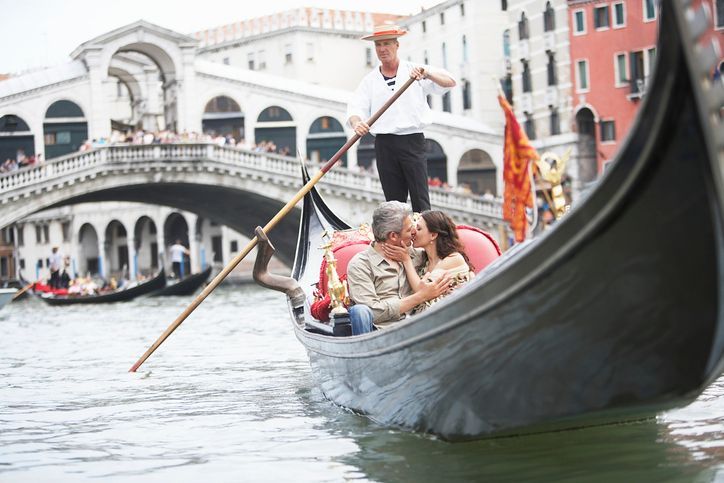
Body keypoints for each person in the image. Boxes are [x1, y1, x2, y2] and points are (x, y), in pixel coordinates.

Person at [347, 24, 456, 213]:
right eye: (378, 45)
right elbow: (356, 107)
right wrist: (358, 123)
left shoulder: (416, 71)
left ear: (396, 45)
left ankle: (424, 237)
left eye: (387, 43)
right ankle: (399, 240)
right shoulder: (370, 80)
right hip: (384, 144)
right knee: (394, 203)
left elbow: (450, 82)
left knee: (420, 199)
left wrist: (427, 73)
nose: (382, 49)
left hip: (412, 140)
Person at [346, 201, 452, 335]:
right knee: (360, 311)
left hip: (421, 329)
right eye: (409, 229)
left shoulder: (419, 255)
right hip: (379, 335)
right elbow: (373, 312)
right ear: (393, 236)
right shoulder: (360, 265)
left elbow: (446, 251)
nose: (414, 231)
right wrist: (420, 296)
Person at [382, 210, 475, 314]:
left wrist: (406, 260)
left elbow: (422, 292)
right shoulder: (424, 259)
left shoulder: (454, 259)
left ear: (433, 235)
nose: (413, 232)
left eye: (419, 228)